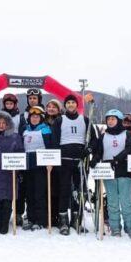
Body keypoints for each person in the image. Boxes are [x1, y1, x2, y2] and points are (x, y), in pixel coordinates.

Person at [50, 95, 96, 235]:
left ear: (77, 105)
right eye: (68, 103)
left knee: (79, 192)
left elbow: (93, 140)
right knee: (64, 191)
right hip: (64, 160)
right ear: (65, 105)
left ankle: (76, 220)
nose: (70, 105)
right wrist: (55, 159)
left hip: (80, 162)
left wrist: (88, 150)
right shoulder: (59, 120)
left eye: (73, 102)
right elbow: (54, 140)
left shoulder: (85, 120)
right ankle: (63, 221)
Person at [91, 109, 131, 238]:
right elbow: (99, 151)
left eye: (113, 119)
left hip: (123, 170)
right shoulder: (103, 135)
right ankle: (115, 227)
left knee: (126, 201)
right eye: (108, 119)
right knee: (112, 201)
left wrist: (119, 157)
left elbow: (130, 148)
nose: (110, 121)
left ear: (119, 121)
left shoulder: (127, 134)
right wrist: (95, 158)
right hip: (108, 171)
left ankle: (130, 227)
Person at [0, 111, 24, 234]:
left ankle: (5, 224)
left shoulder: (15, 137)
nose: (1, 125)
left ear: (8, 124)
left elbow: (20, 152)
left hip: (8, 173)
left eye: (4, 123)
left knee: (7, 199)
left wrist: (17, 169)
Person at [21, 106, 53, 230]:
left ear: (41, 118)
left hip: (41, 166)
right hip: (27, 166)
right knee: (29, 194)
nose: (34, 119)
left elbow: (50, 147)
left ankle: (40, 220)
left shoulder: (45, 130)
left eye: (37, 117)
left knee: (39, 194)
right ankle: (30, 218)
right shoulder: (25, 130)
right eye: (32, 117)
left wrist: (50, 163)